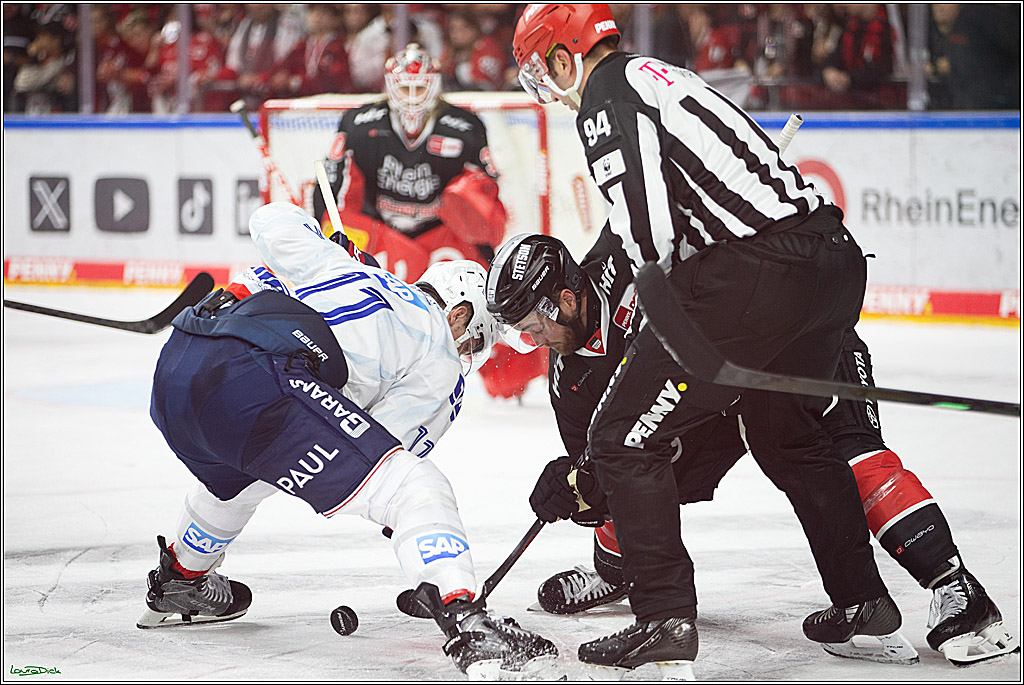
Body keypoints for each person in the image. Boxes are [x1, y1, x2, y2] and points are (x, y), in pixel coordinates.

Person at [508, 3, 902, 678]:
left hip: (761, 272)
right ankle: (861, 598)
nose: (547, 87)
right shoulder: (657, 76)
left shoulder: (605, 95)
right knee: (785, 433)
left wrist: (668, 331)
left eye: (542, 71)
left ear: (565, 56)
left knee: (621, 438)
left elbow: (651, 234)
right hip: (832, 260)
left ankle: (663, 618)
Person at [485, 230, 1021, 668]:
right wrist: (572, 489)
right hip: (709, 396)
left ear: (567, 299)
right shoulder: (570, 382)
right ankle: (619, 569)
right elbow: (601, 470)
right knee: (626, 461)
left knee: (848, 455)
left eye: (534, 327)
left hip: (787, 339)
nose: (534, 342)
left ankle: (957, 590)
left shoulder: (627, 247)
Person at [136, 202, 557, 679]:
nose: (470, 355)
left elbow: (269, 222)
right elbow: (384, 448)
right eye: (477, 341)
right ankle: (467, 619)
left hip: (179, 371)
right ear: (460, 316)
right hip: (258, 385)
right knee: (415, 487)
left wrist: (329, 245)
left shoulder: (344, 267)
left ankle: (181, 576)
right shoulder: (441, 353)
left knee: (248, 474)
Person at [313, 42, 547, 401]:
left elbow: (487, 199)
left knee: (481, 304)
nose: (411, 97)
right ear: (390, 87)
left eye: (419, 87)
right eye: (404, 88)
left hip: (441, 235)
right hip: (384, 234)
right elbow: (332, 189)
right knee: (361, 299)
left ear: (434, 86)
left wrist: (479, 228)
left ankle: (513, 373)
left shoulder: (464, 127)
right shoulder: (359, 124)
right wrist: (326, 233)